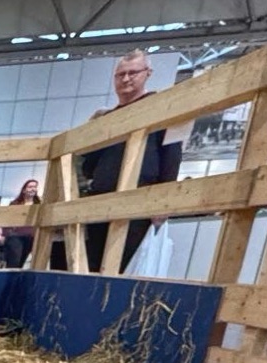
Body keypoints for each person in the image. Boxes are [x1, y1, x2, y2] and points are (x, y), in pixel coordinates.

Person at [55, 50, 184, 274]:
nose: (126, 79)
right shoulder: (105, 118)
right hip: (100, 200)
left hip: (138, 200)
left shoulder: (160, 108)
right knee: (92, 265)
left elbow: (172, 153)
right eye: (120, 74)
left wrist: (165, 200)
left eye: (132, 73)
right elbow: (89, 159)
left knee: (126, 266)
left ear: (147, 73)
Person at [2, 178, 41, 268]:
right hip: (16, 236)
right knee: (14, 262)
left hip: (31, 237)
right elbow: (7, 220)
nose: (33, 189)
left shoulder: (39, 204)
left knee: (23, 262)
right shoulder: (15, 204)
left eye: (35, 187)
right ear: (24, 190)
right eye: (30, 187)